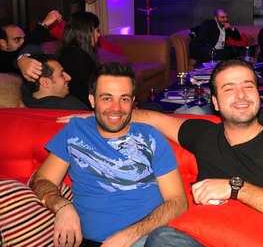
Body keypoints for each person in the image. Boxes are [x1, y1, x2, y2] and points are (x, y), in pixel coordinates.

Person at [130, 59, 263, 246]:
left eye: (248, 86)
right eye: (229, 89)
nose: (241, 95)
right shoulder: (204, 135)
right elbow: (153, 119)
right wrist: (110, 113)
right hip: (203, 235)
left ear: (259, 96)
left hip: (253, 239)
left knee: (162, 238)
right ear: (215, 103)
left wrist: (235, 188)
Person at [29, 62, 187, 247]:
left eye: (124, 99)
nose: (116, 108)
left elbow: (178, 202)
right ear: (92, 100)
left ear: (133, 101)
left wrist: (129, 236)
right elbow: (41, 180)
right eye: (107, 98)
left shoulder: (150, 137)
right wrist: (62, 206)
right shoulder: (75, 131)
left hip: (144, 238)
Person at [55, 11, 101, 108]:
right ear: (87, 32)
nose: (99, 35)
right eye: (97, 31)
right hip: (82, 108)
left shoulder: (68, 52)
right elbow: (94, 88)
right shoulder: (77, 56)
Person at [0, 9, 62, 75]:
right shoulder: (3, 59)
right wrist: (44, 24)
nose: (23, 42)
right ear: (3, 43)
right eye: (17, 39)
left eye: (24, 39)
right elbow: (21, 51)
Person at [20, 53, 90, 110]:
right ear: (44, 82)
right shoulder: (73, 109)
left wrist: (21, 60)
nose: (69, 78)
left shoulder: (24, 101)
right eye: (61, 75)